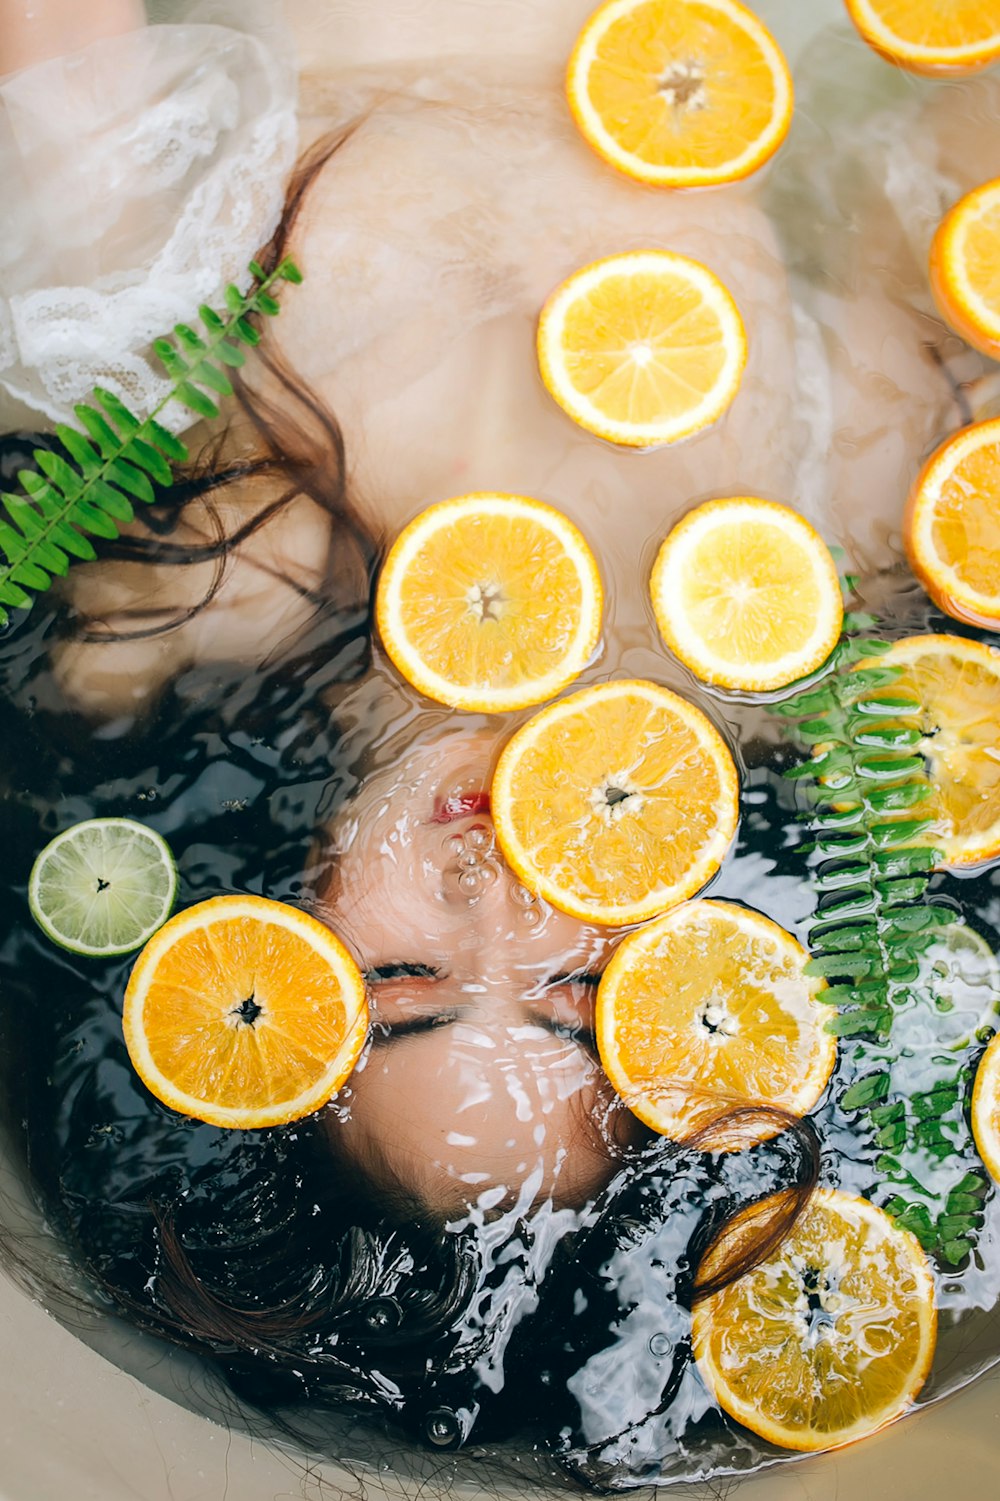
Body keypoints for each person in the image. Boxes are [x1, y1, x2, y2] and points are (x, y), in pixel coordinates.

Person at [0, 0, 990, 1484]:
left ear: (276, 922)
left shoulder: (188, 548)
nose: (500, 896)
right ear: (709, 960)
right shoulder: (843, 556)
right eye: (582, 983)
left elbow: (63, 77)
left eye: (402, 982)